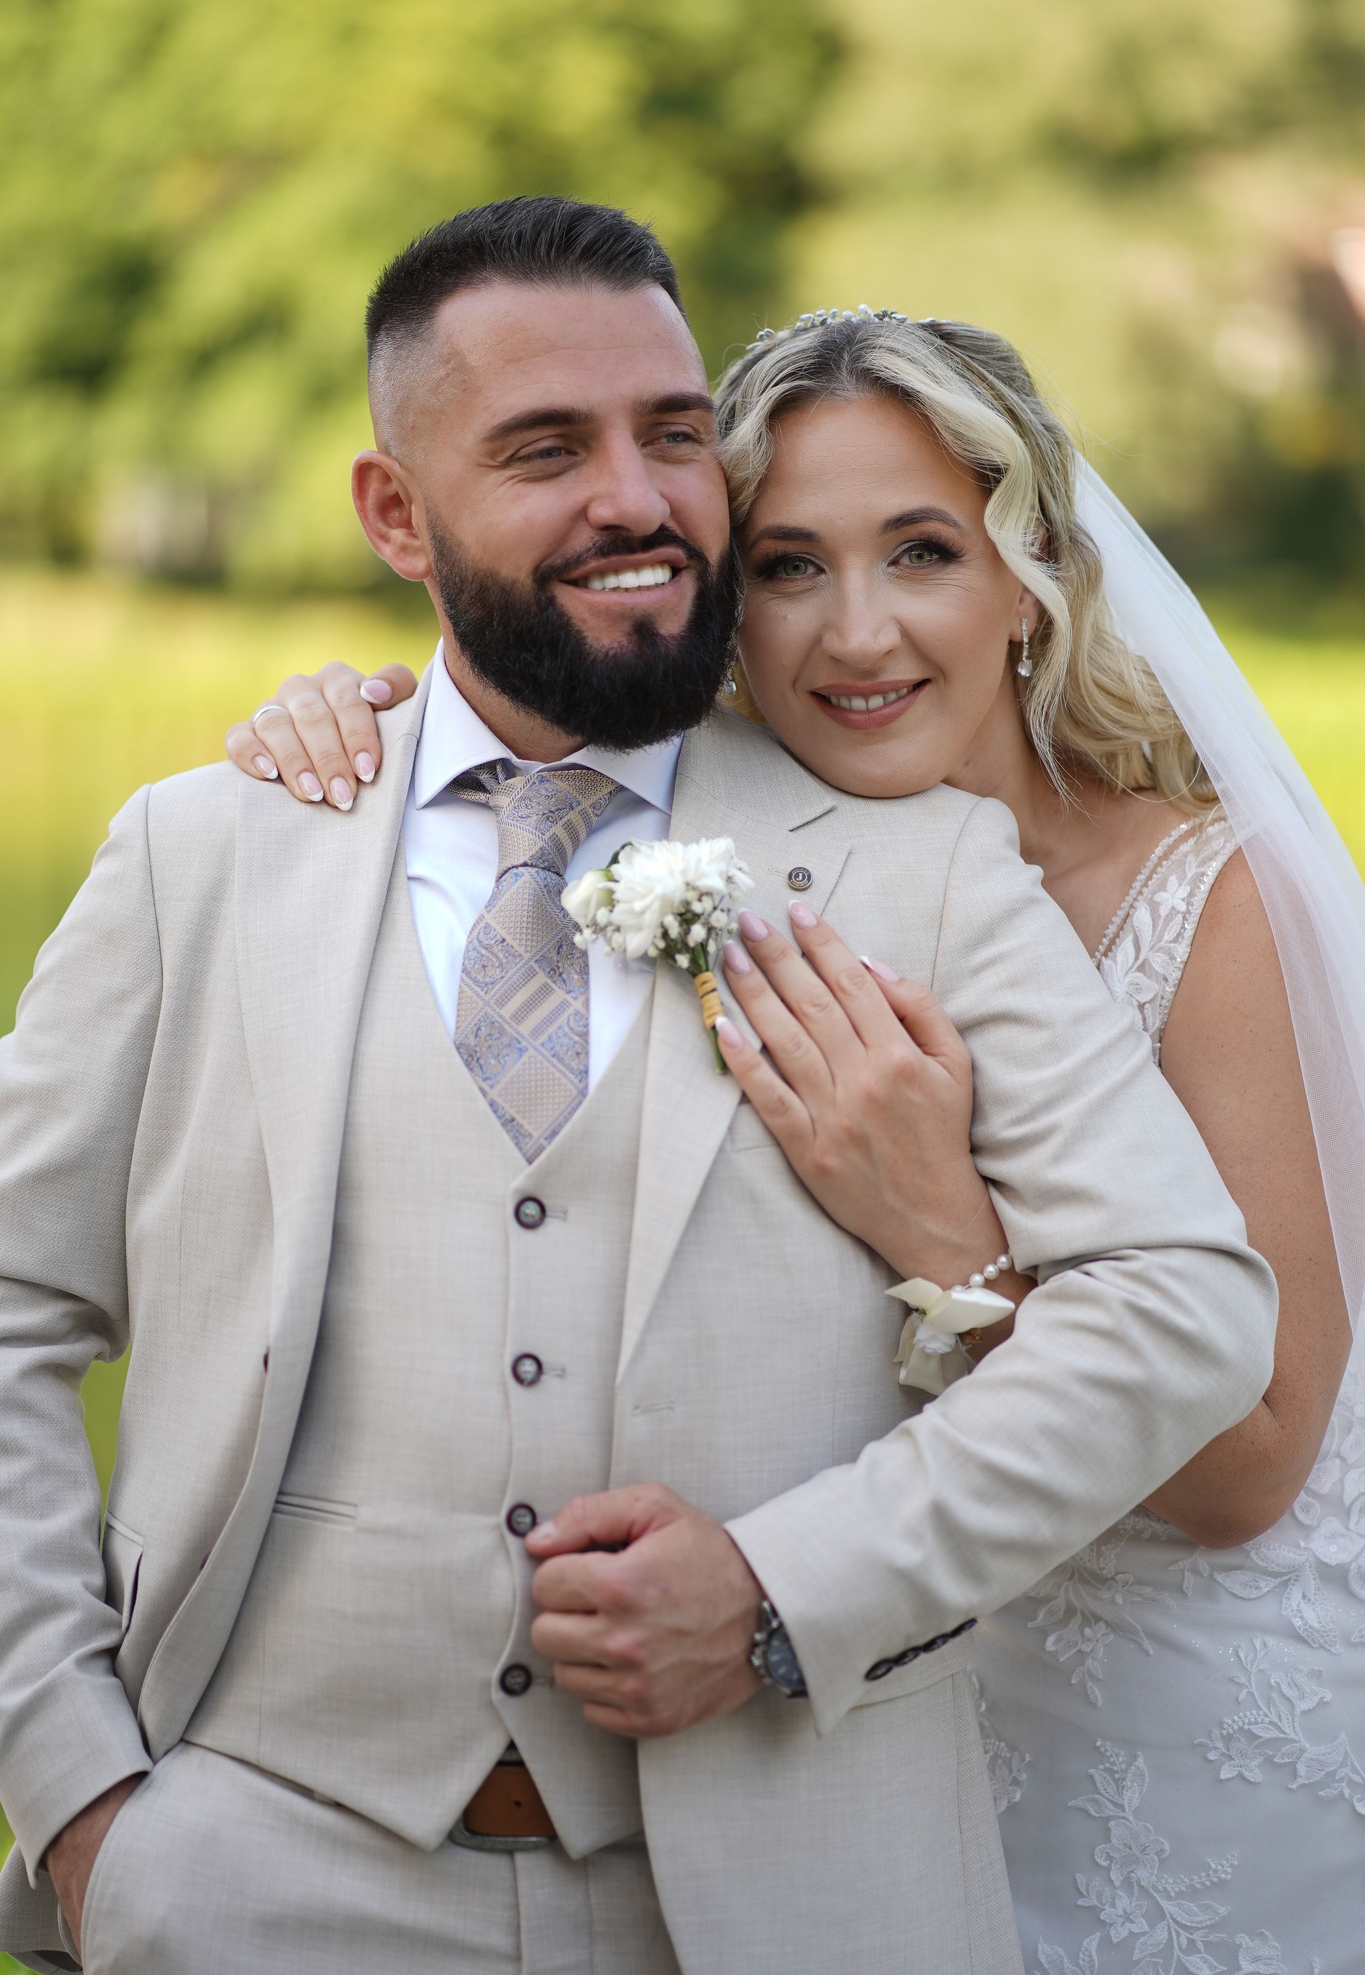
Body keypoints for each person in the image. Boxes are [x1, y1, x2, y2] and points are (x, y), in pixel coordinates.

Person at [0, 202, 1278, 1975]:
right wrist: (78, 1793)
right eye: (545, 450)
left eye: (673, 436)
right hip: (253, 1886)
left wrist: (779, 1589)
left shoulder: (923, 867)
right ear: (396, 515)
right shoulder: (206, 856)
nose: (635, 498)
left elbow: (1184, 1308)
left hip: (797, 1905)